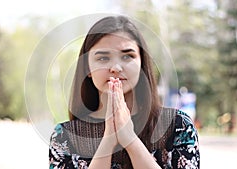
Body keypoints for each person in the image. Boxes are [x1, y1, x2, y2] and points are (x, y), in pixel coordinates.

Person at [49, 15, 200, 169]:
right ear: (87, 67)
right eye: (103, 58)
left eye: (127, 56)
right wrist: (108, 141)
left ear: (141, 63)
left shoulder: (178, 126)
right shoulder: (64, 137)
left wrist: (129, 139)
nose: (116, 68)